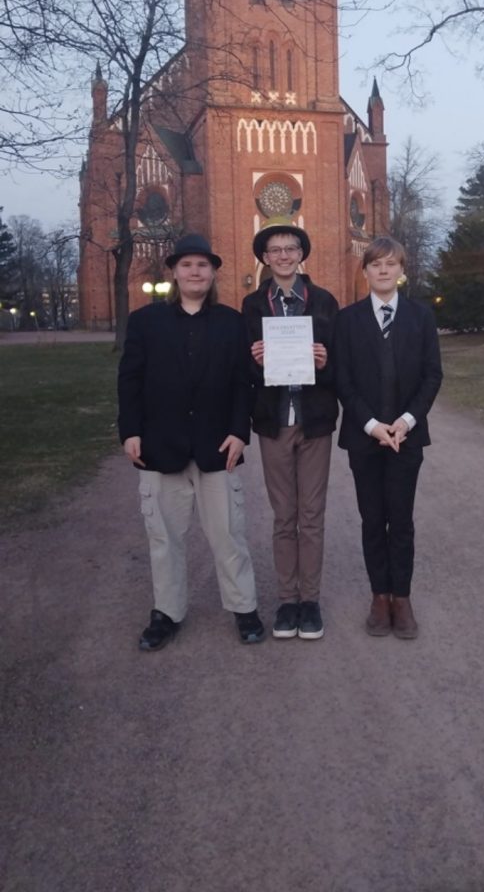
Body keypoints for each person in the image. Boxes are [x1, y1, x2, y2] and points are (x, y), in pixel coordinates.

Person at [118, 233, 265, 650]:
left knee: (229, 535)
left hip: (217, 447)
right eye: (187, 265)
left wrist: (239, 431)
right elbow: (129, 379)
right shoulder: (146, 322)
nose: (195, 272)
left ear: (213, 273)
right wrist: (130, 430)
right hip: (159, 445)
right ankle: (166, 611)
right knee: (164, 538)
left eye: (203, 265)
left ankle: (244, 607)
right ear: (174, 272)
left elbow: (243, 382)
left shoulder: (231, 322)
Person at [333, 236, 442, 639]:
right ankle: (379, 595)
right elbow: (342, 378)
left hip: (406, 437)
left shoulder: (420, 317)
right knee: (372, 519)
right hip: (365, 438)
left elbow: (432, 374)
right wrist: (371, 425)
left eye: (391, 263)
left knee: (401, 520)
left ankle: (402, 597)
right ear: (365, 271)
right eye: (376, 264)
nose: (383, 270)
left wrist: (406, 421)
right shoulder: (347, 320)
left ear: (401, 271)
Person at [242, 217, 338, 640]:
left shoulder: (324, 300)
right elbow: (243, 368)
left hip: (314, 420)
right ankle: (287, 600)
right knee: (284, 516)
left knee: (311, 515)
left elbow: (341, 363)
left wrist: (326, 361)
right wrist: (256, 360)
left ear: (301, 255)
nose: (283, 255)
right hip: (275, 420)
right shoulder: (252, 305)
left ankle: (310, 601)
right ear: (265, 258)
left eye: (291, 249)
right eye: (275, 250)